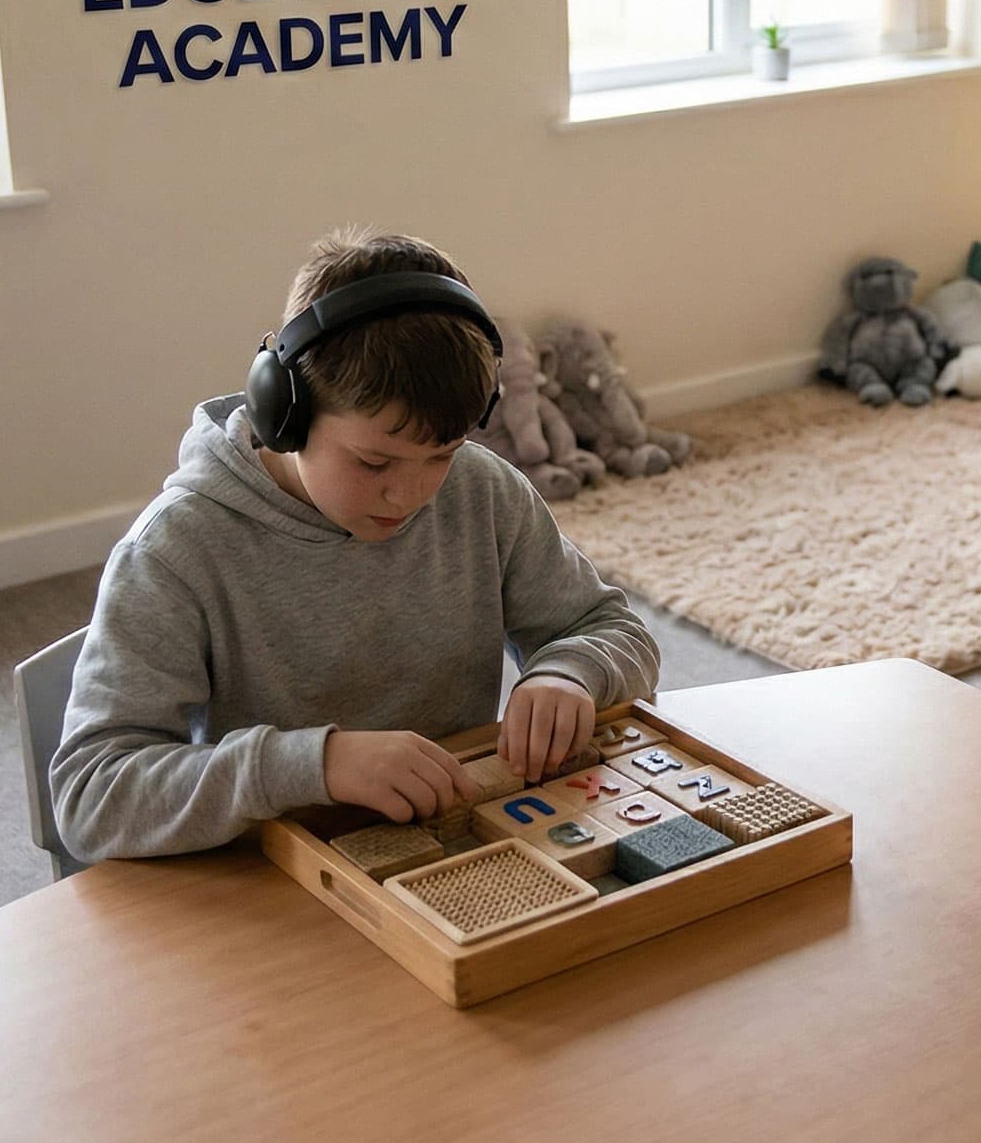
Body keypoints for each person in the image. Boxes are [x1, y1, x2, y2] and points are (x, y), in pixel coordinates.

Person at [50, 228, 659, 861]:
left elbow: (615, 630)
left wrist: (569, 673)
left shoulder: (482, 489)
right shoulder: (176, 550)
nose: (410, 495)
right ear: (284, 412)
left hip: (457, 845)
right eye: (374, 462)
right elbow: (92, 797)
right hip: (280, 871)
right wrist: (315, 764)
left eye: (441, 455)